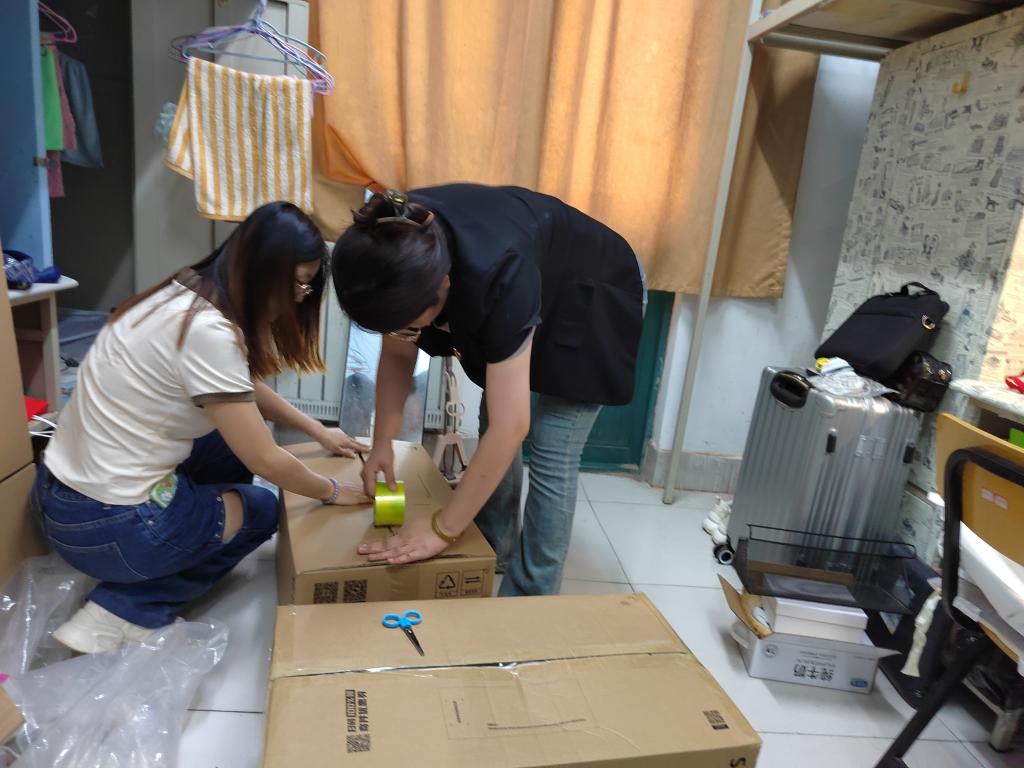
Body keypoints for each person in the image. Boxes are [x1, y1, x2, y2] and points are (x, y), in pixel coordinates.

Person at [34, 202, 370, 654]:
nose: (299, 297)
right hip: (110, 528)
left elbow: (238, 387)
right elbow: (266, 460)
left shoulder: (182, 292)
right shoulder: (210, 333)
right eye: (297, 283)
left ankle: (187, 522)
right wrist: (330, 490)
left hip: (56, 497)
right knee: (262, 508)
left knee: (226, 442)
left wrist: (318, 430)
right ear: (260, 271)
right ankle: (123, 610)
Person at [331, 185, 645, 596]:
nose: (403, 333)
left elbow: (511, 427)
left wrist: (442, 530)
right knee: (492, 416)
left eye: (408, 323)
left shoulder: (498, 271)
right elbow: (397, 356)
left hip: (594, 291)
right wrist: (382, 445)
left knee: (552, 445)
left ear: (443, 286)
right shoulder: (397, 240)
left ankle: (530, 595)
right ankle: (493, 545)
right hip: (537, 275)